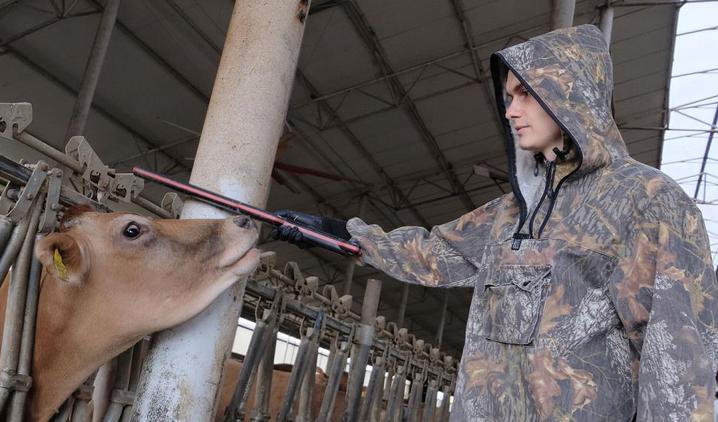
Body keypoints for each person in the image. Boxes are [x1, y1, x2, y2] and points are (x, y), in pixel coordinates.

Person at [275, 24, 718, 420]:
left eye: (526, 93)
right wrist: (341, 235)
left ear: (571, 95)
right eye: (509, 96)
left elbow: (678, 349)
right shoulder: (511, 208)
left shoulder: (644, 199)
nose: (510, 110)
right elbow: (436, 253)